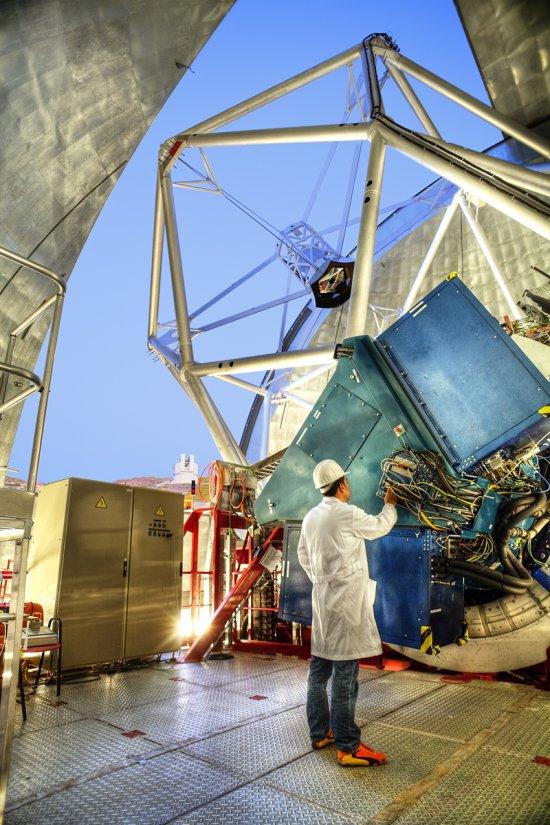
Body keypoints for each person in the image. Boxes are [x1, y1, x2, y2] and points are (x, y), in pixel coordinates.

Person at [297, 458, 398, 767]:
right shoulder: (346, 514)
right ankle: (348, 746)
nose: (350, 487)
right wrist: (390, 504)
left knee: (319, 672)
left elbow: (302, 553)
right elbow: (380, 526)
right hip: (346, 604)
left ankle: (319, 733)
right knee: (345, 677)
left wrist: (321, 578)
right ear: (341, 486)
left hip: (324, 601)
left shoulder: (312, 517)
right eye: (348, 483)